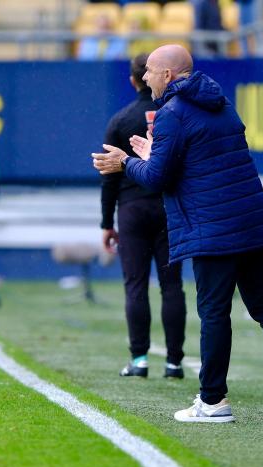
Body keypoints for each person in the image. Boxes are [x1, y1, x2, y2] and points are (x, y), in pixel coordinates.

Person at [92, 44, 263, 423]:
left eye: (150, 72)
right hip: (249, 221)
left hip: (213, 228)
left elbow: (158, 178)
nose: (144, 78)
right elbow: (196, 162)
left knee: (213, 312)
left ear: (167, 75)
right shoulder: (221, 103)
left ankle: (212, 401)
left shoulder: (171, 115)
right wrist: (151, 155)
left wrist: (125, 162)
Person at [101, 53, 187, 379]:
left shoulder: (120, 120)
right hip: (168, 208)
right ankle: (174, 362)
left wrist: (106, 223)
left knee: (135, 285)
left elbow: (109, 175)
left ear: (133, 80)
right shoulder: (174, 114)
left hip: (132, 208)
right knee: (172, 286)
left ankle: (139, 360)